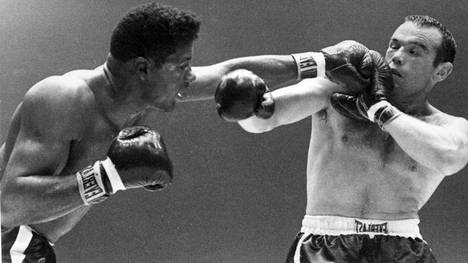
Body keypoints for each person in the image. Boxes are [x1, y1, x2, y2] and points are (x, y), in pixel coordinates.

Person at [0, 2, 374, 262]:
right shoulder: (62, 98)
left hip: (28, 244)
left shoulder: (143, 91)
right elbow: (10, 204)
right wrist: (109, 176)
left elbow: (228, 70)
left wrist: (320, 62)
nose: (191, 76)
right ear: (144, 68)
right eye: (182, 66)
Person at [214, 15, 468, 262]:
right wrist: (245, 102)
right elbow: (262, 120)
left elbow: (448, 158)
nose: (397, 56)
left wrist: (378, 110)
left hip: (402, 246)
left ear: (442, 71)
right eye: (394, 46)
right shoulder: (337, 90)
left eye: (414, 51)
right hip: (326, 243)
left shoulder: (449, 127)